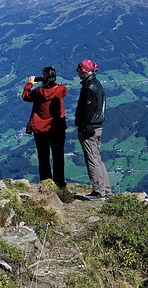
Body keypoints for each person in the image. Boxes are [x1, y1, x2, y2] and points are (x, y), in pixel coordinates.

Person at [22, 66, 68, 189]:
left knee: (43, 157)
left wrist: (29, 83)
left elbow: (26, 96)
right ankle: (60, 183)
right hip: (57, 128)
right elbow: (64, 90)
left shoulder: (38, 92)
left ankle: (46, 182)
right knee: (58, 156)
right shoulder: (61, 90)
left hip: (41, 129)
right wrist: (52, 81)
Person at [74, 59, 111, 199]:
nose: (78, 73)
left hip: (90, 128)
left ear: (84, 71)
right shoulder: (97, 84)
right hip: (97, 126)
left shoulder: (89, 87)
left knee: (92, 159)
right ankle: (106, 190)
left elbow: (88, 110)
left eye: (79, 70)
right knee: (97, 158)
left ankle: (98, 191)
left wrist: (84, 127)